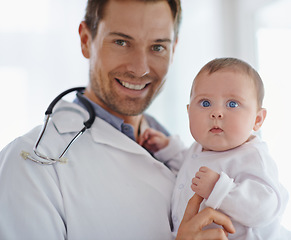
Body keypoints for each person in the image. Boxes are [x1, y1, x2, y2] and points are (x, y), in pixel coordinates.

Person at [0, 1, 236, 240]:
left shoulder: (186, 150)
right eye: (121, 42)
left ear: (173, 49)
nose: (140, 69)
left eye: (157, 47)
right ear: (85, 40)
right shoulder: (33, 162)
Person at [140, 58, 291, 239]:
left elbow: (264, 207)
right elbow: (189, 167)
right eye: (205, 103)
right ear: (189, 112)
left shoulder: (252, 156)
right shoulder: (199, 149)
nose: (216, 113)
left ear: (257, 120)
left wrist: (218, 188)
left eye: (232, 104)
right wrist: (168, 148)